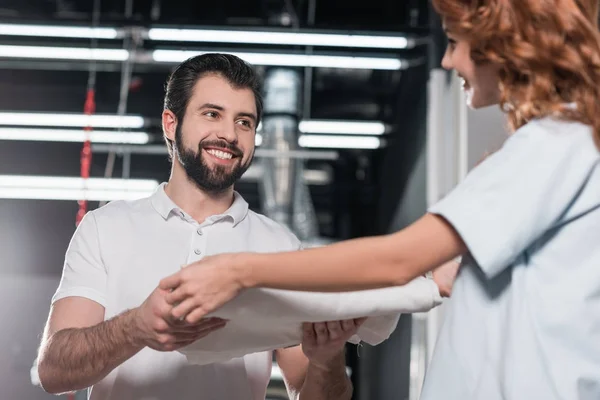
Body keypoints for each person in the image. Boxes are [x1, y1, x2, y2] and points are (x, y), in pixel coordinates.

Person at [157, 1, 600, 399]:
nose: (447, 59)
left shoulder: (557, 143)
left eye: (453, 41)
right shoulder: (547, 149)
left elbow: (399, 259)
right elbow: (439, 275)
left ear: (500, 43)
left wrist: (238, 270)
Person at [37, 53, 376, 400]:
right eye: (212, 114)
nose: (229, 134)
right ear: (171, 123)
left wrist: (328, 358)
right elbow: (53, 371)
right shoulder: (105, 227)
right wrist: (135, 327)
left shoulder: (279, 246)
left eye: (244, 122)